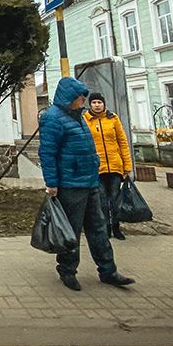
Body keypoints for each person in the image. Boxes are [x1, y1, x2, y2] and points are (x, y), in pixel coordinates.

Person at [39, 77, 135, 291]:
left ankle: (108, 271)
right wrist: (52, 183)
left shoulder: (79, 116)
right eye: (80, 96)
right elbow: (47, 153)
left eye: (84, 96)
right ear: (69, 97)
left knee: (99, 228)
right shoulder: (52, 118)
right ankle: (67, 270)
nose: (84, 99)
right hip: (70, 184)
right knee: (70, 231)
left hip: (90, 181)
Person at [83, 93, 132, 241]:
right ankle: (105, 228)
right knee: (102, 201)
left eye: (100, 102)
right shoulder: (85, 120)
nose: (97, 105)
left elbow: (122, 142)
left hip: (115, 167)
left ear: (104, 104)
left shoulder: (113, 119)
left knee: (116, 200)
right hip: (97, 168)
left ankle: (116, 227)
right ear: (90, 105)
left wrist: (127, 166)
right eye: (94, 102)